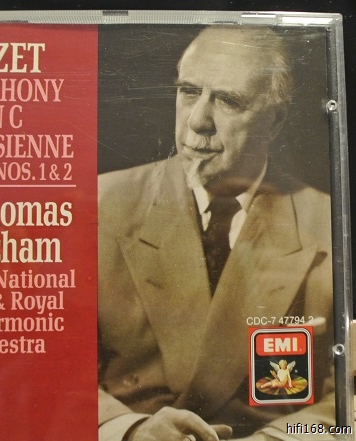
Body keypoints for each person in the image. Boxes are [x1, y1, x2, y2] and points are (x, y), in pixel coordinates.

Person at [98, 26, 334, 441]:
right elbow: (44, 360)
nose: (197, 120)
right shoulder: (98, 205)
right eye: (189, 91)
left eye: (227, 100)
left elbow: (347, 392)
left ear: (275, 121)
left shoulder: (330, 226)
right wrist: (127, 429)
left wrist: (279, 438)